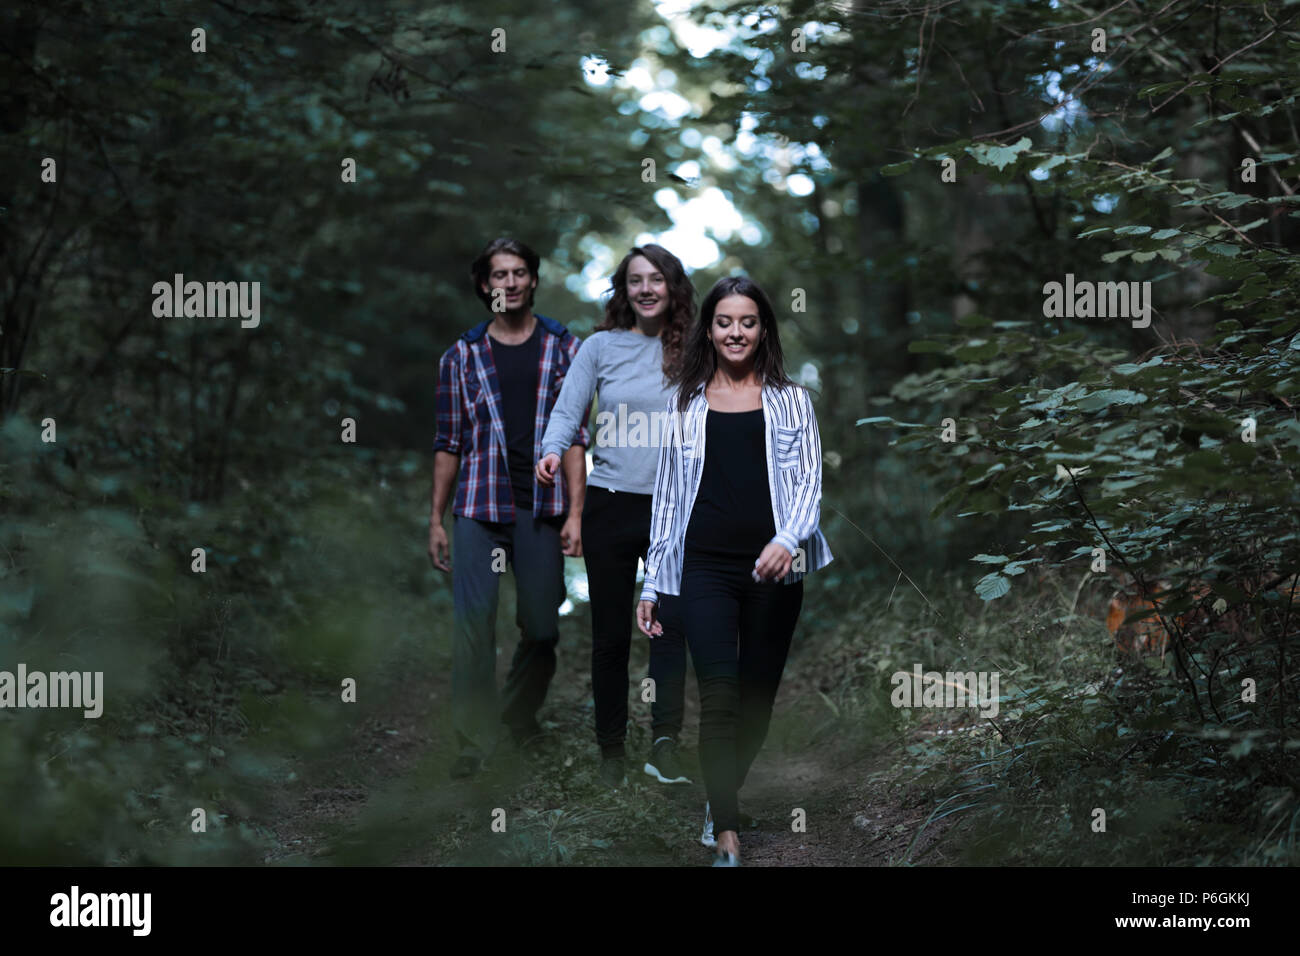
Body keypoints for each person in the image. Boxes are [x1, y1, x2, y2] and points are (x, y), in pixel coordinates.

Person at [636, 275, 833, 866]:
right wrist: (652, 582)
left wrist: (786, 539)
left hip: (776, 571)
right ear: (710, 329)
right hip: (704, 569)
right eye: (725, 321)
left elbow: (808, 485)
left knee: (756, 701)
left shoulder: (792, 401)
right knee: (718, 695)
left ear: (763, 329)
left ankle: (722, 794)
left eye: (748, 321)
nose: (736, 332)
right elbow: (667, 499)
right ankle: (726, 832)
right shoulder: (685, 403)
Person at [535, 244, 694, 790]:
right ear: (623, 290)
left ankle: (664, 747)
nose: (645, 289)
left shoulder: (695, 348)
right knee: (611, 636)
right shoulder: (599, 347)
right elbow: (567, 409)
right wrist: (553, 450)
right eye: (634, 281)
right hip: (610, 503)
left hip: (674, 506)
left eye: (656, 279)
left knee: (669, 627)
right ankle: (611, 757)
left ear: (673, 286)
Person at [429, 237, 589, 780]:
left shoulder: (565, 349)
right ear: (484, 285)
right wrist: (436, 519)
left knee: (542, 627)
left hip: (541, 508)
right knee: (473, 626)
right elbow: (448, 442)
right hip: (478, 506)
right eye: (500, 274)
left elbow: (575, 439)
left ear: (534, 280)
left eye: (520, 272)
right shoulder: (461, 355)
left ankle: (518, 714)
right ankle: (472, 742)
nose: (511, 282)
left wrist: (575, 513)